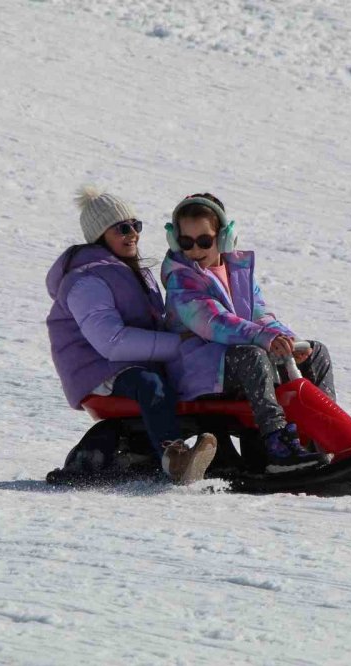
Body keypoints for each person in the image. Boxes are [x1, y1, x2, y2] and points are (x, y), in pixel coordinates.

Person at [45, 185, 215, 484]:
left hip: (131, 362)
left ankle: (230, 449)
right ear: (100, 236)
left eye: (135, 226)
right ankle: (175, 457)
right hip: (95, 369)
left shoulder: (134, 272)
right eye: (122, 228)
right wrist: (177, 345)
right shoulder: (87, 281)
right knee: (149, 385)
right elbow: (111, 342)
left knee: (200, 375)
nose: (132, 233)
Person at [160, 193, 334, 474]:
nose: (195, 249)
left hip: (233, 360)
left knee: (317, 352)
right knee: (252, 355)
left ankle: (324, 438)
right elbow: (213, 321)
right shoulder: (181, 279)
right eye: (186, 242)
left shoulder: (237, 271)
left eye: (204, 241)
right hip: (200, 370)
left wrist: (287, 340)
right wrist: (265, 339)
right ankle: (276, 445)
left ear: (224, 237)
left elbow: (260, 314)